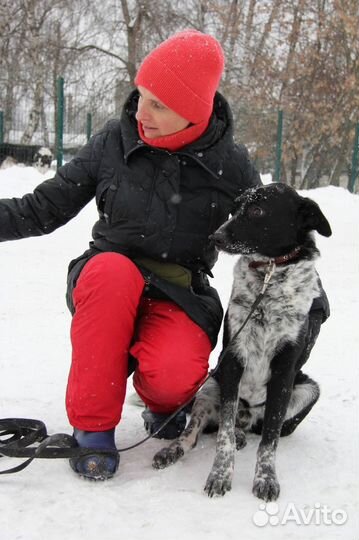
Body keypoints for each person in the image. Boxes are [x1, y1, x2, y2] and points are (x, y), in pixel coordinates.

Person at [0, 30, 329, 481]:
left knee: (174, 372)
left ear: (193, 112)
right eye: (141, 95)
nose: (140, 110)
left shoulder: (231, 166)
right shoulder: (112, 142)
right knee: (113, 273)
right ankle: (93, 430)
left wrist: (309, 293)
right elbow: (41, 208)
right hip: (107, 278)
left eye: (158, 104)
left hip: (180, 290)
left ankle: (163, 403)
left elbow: (273, 227)